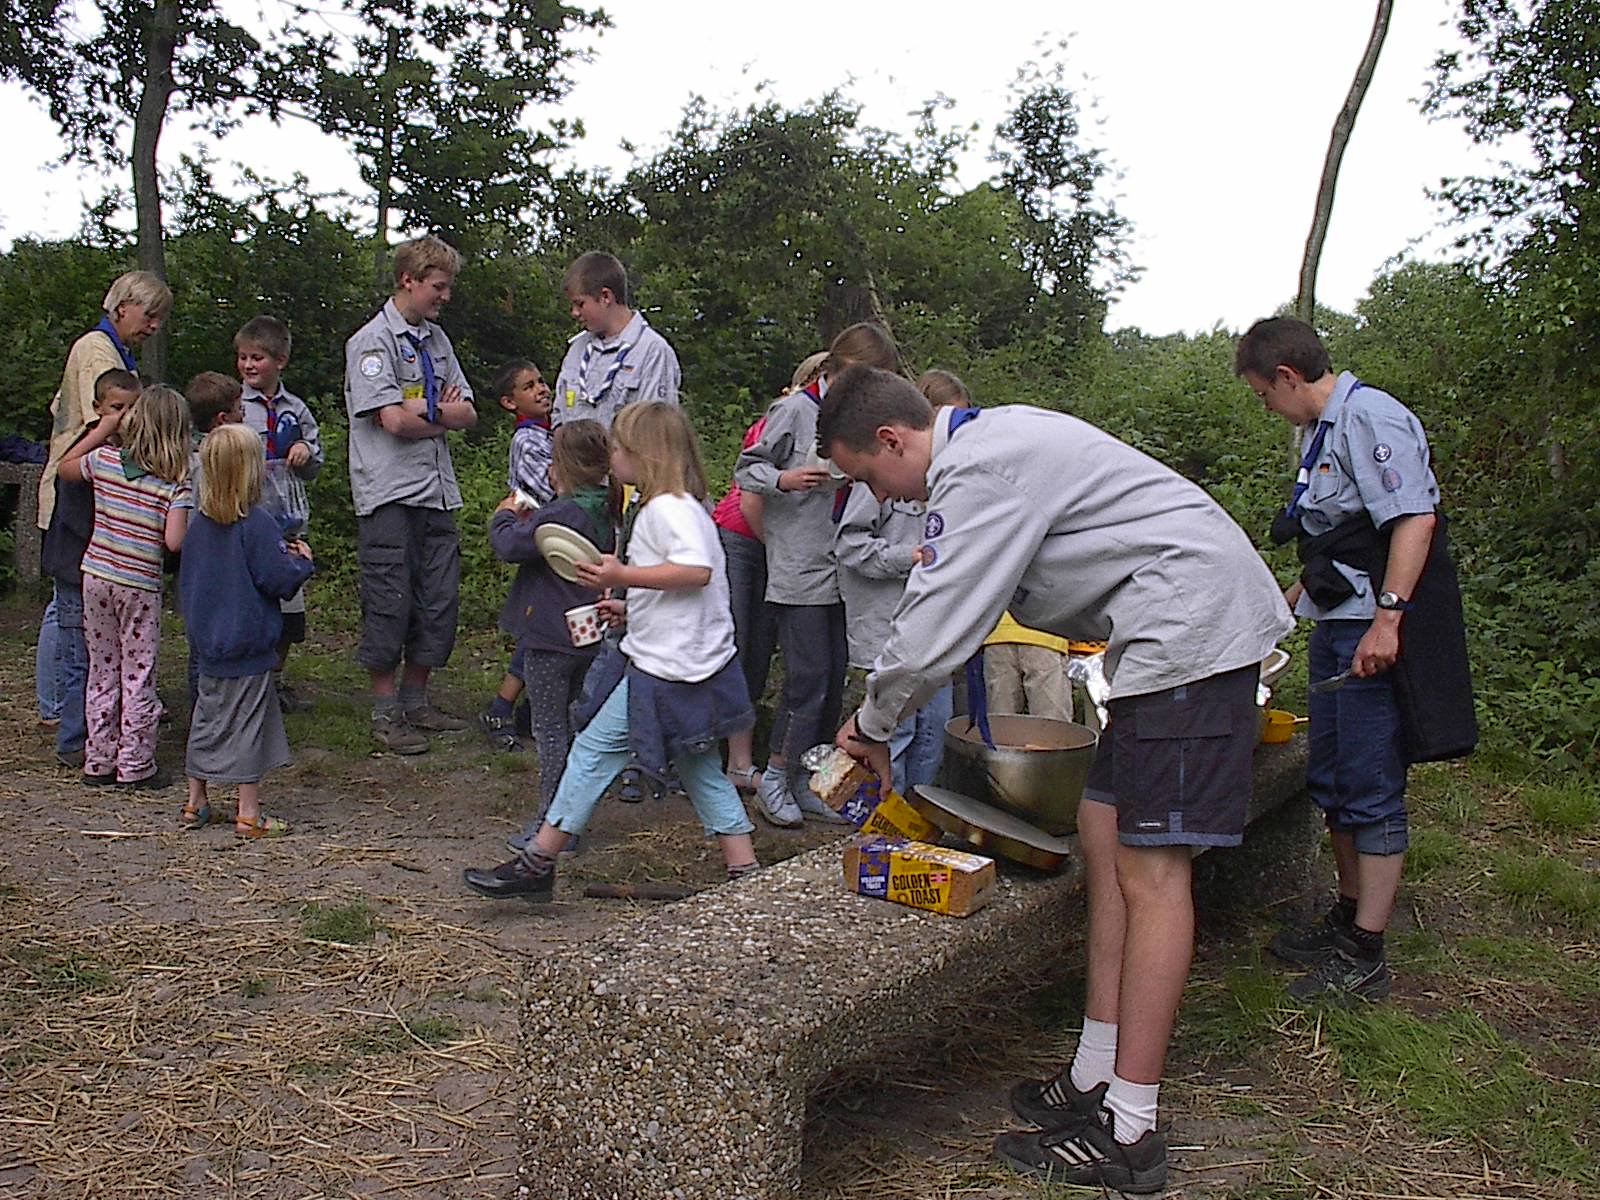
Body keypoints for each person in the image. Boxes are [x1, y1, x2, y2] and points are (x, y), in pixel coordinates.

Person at [820, 366, 1292, 1196]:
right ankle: (1094, 1072)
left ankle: (1131, 1130)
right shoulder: (990, 445)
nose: (881, 497)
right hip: (1156, 637)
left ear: (892, 440)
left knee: (1154, 874)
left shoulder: (979, 468)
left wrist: (871, 725)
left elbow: (933, 625)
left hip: (1192, 632)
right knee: (1104, 835)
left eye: (868, 476)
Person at [462, 403, 759, 901]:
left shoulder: (667, 510)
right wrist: (632, 609)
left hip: (669, 670)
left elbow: (695, 572)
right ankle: (743, 869)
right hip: (677, 663)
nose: (612, 455)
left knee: (604, 754)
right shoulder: (679, 506)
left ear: (646, 454)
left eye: (620, 446)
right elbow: (685, 590)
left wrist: (622, 575)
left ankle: (538, 863)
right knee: (684, 764)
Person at [1236, 316, 1445, 1005]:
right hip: (1335, 618)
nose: (1268, 408)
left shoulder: (1370, 418)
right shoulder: (1319, 430)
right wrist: (1289, 599)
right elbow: (1339, 533)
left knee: (1370, 782)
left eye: (1265, 395)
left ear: (1287, 376)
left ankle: (1367, 953)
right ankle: (1346, 916)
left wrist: (1388, 620)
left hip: (1370, 629)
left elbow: (1413, 520)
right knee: (1331, 775)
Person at [735, 322, 902, 828]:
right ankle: (773, 777)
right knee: (806, 678)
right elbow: (747, 470)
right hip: (799, 566)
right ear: (839, 367)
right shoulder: (795, 410)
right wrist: (784, 479)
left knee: (833, 677)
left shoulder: (858, 419)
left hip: (840, 568)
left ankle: (811, 781)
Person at [344, 235, 478, 754]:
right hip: (389, 493)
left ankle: (417, 701)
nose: (445, 296)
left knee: (438, 599)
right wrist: (439, 415)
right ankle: (385, 713)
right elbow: (393, 423)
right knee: (389, 600)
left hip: (437, 493)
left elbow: (469, 412)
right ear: (409, 280)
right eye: (438, 286)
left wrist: (427, 411)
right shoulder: (371, 343)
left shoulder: (437, 342)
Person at [35, 270, 171, 732]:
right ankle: (60, 704)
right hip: (78, 486)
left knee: (68, 603)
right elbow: (110, 419)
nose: (154, 326)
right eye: (149, 315)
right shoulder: (97, 350)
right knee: (68, 605)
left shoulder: (113, 351)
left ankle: (63, 700)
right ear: (122, 307)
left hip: (83, 480)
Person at [487, 420, 620, 847]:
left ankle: (554, 824)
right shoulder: (608, 506)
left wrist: (504, 516)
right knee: (574, 725)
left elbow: (512, 546)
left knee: (549, 732)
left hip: (548, 636)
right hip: (588, 632)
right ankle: (572, 816)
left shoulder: (561, 512)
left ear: (561, 466)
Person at [179, 424, 316, 836]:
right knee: (248, 725)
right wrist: (302, 562)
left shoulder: (198, 526)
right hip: (249, 643)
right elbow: (277, 579)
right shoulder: (257, 524)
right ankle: (249, 812)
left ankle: (195, 802)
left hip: (208, 644)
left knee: (206, 718)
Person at [59, 385, 193, 788]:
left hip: (96, 577)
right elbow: (175, 542)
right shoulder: (175, 486)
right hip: (139, 584)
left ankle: (98, 758)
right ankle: (135, 763)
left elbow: (66, 467)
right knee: (138, 672)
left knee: (102, 668)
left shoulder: (104, 461)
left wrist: (103, 428)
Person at [713, 350, 827, 793]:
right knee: (739, 648)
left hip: (770, 547)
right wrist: (782, 552)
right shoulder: (784, 419)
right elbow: (750, 500)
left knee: (759, 652)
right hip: (745, 540)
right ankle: (730, 759)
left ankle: (740, 754)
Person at [40, 368, 139, 769]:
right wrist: (103, 429)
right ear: (98, 408)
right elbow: (66, 475)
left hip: (108, 573)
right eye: (116, 408)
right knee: (78, 655)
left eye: (132, 408)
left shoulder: (129, 454)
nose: (124, 417)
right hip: (74, 568)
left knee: (109, 658)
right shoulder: (85, 449)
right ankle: (72, 739)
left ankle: (105, 734)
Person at [236, 315, 324, 714]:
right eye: (243, 357)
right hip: (246, 517)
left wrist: (306, 452)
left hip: (286, 523)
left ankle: (274, 679)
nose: (248, 365)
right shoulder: (235, 407)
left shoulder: (296, 409)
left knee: (289, 609)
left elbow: (315, 461)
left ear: (280, 361)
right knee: (251, 604)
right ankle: (247, 681)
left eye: (257, 358)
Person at [479, 358, 558, 752]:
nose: (541, 389)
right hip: (545, 545)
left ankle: (526, 707)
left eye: (541, 381)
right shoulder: (527, 441)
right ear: (510, 402)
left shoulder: (550, 430)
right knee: (540, 629)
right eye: (529, 386)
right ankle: (503, 707)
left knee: (550, 628)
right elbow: (554, 490)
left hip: (556, 541)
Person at [552, 251, 680, 429]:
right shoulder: (577, 349)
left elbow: (655, 433)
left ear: (606, 297)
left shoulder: (652, 352)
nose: (574, 313)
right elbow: (558, 416)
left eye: (580, 304)